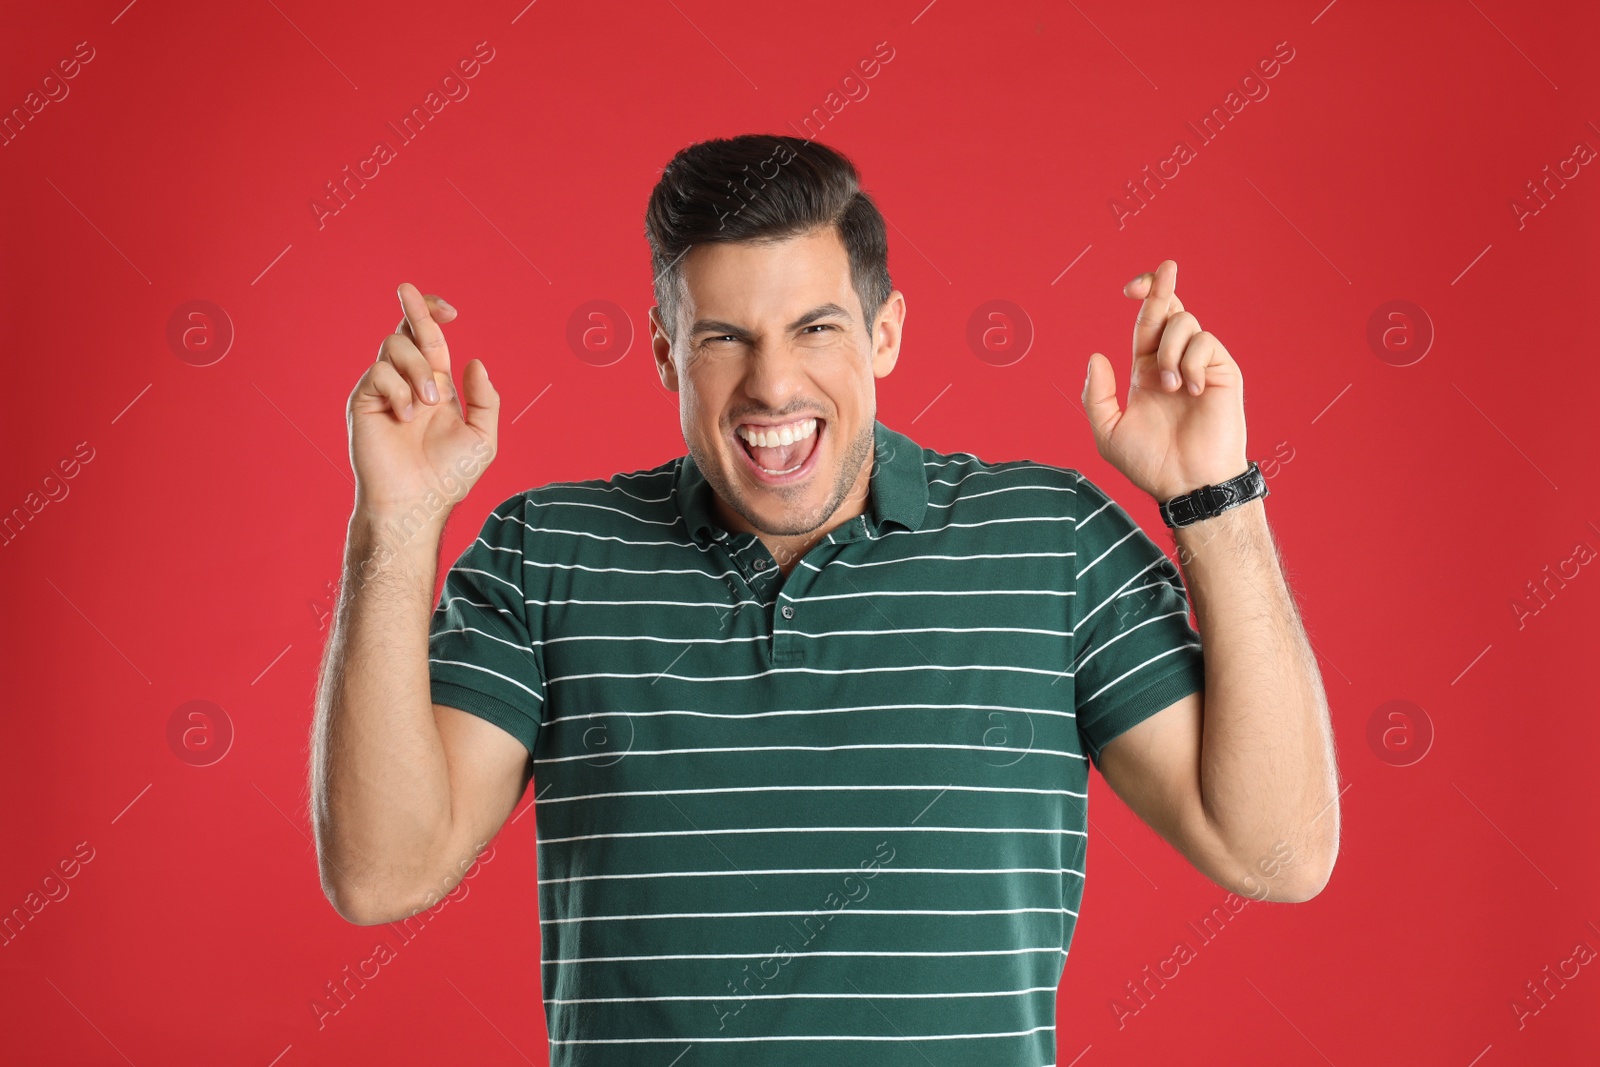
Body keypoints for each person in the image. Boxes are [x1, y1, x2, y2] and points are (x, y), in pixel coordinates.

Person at [309, 133, 1340, 1064]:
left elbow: (1278, 850)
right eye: (722, 339)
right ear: (667, 352)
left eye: (815, 327)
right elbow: (381, 873)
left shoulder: (1049, 538)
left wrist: (1216, 500)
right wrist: (394, 524)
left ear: (884, 334)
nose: (771, 385)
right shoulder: (551, 550)